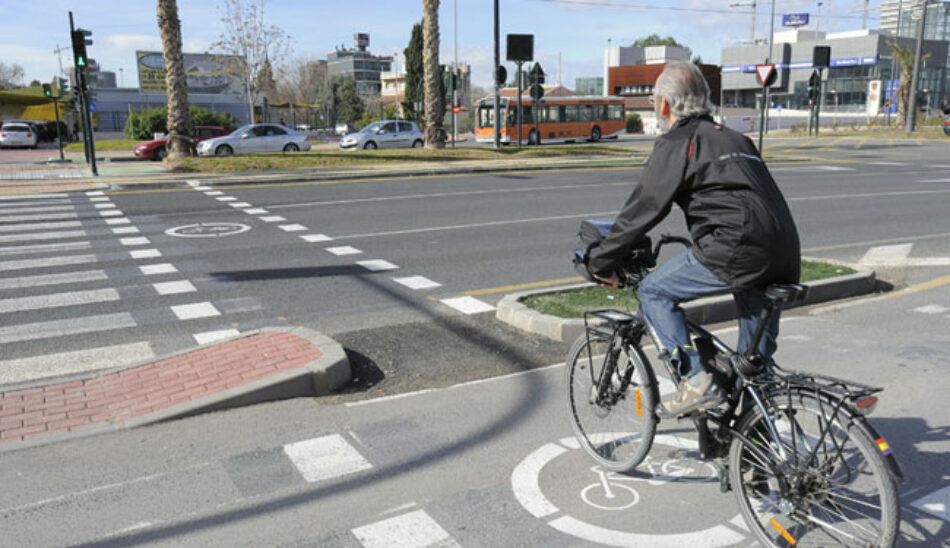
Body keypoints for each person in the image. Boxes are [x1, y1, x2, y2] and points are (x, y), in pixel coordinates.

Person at [587, 61, 801, 417]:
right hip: (785, 252)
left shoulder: (678, 142)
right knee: (752, 371)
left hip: (736, 247)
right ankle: (755, 460)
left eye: (656, 100)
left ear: (665, 105)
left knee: (653, 291)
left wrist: (602, 262)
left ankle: (696, 381)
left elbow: (644, 208)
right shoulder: (736, 138)